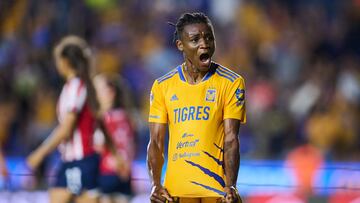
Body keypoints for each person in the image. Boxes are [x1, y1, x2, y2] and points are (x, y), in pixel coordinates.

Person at [147, 12, 246, 203]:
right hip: (176, 192)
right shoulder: (162, 86)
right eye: (195, 39)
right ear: (180, 45)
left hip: (216, 192)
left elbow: (231, 138)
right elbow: (156, 143)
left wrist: (231, 185)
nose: (204, 43)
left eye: (209, 37)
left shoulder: (232, 82)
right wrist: (156, 184)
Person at [27, 36, 100, 203]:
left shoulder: (75, 86)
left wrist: (39, 153)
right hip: (80, 160)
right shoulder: (82, 85)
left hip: (79, 160)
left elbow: (66, 128)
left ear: (65, 61)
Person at [93, 74, 135, 203]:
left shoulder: (102, 118)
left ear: (110, 92)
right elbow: (132, 145)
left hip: (107, 172)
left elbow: (98, 146)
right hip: (125, 173)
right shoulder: (126, 116)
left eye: (97, 90)